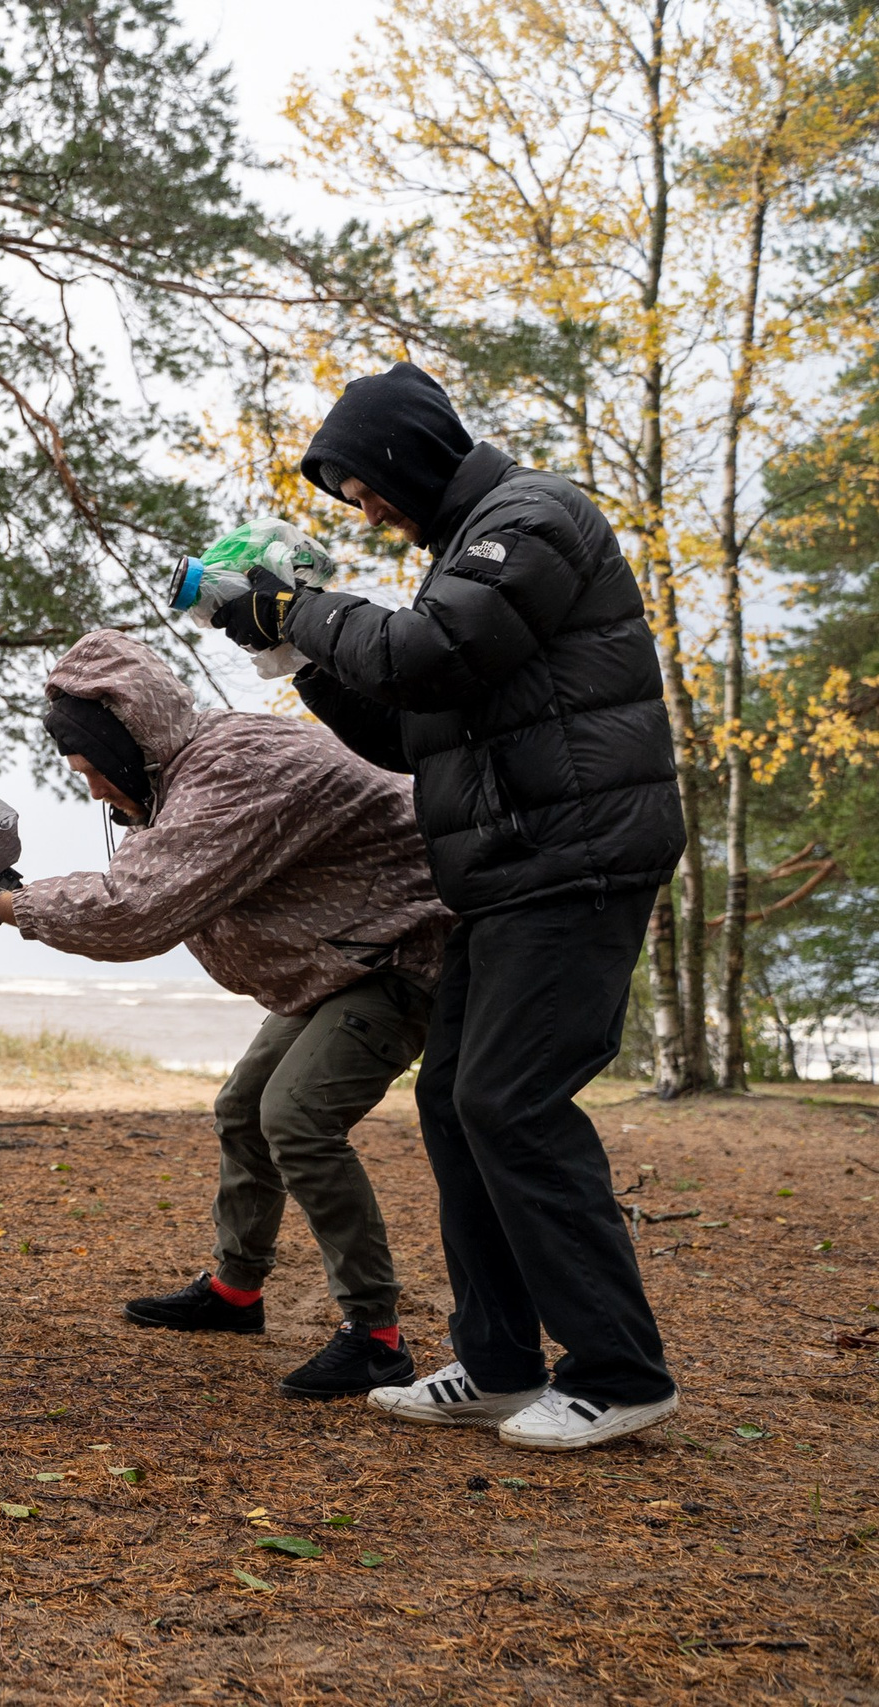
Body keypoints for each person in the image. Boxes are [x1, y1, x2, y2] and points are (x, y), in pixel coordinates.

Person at [211, 360, 686, 1452]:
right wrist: (297, 656)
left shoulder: (530, 520)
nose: (362, 508)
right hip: (511, 874)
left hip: (577, 858)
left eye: (361, 484)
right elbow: (407, 729)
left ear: (405, 455)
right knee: (454, 1106)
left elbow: (430, 651)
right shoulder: (460, 559)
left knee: (512, 1104)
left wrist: (306, 606)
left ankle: (619, 1372)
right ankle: (500, 1361)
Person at [0, 630, 453, 1401]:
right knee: (244, 1108)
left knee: (297, 1117)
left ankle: (375, 1337)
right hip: (345, 955)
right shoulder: (186, 772)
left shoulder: (231, 767)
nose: (96, 791)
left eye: (92, 771)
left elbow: (136, 910)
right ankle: (236, 1293)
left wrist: (0, 903)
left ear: (125, 737)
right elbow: (147, 884)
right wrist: (10, 893)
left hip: (403, 948)